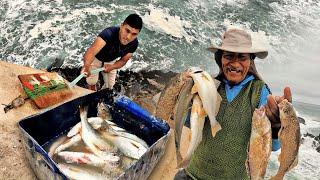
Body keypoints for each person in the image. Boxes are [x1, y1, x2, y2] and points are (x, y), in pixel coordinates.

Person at [174, 28, 292, 179]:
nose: (235, 64)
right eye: (229, 56)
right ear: (220, 59)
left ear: (250, 61)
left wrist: (276, 125)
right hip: (193, 174)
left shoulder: (259, 92)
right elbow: (190, 123)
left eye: (242, 57)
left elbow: (274, 146)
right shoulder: (209, 86)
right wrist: (182, 96)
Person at [81, 14, 143, 91]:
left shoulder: (134, 44)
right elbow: (91, 52)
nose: (128, 37)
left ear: (138, 34)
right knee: (91, 81)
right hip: (96, 58)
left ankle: (104, 92)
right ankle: (92, 87)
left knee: (110, 85)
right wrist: (86, 66)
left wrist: (112, 67)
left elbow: (123, 60)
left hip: (111, 61)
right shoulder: (108, 34)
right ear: (121, 26)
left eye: (134, 34)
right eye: (127, 31)